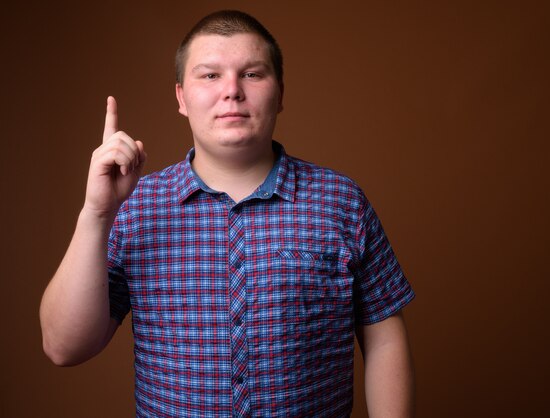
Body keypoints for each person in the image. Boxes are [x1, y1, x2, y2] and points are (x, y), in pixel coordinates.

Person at [40, 10, 415, 417]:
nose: (232, 91)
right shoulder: (134, 207)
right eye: (210, 75)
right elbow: (64, 347)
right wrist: (97, 212)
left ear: (281, 92)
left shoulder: (341, 202)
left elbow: (384, 339)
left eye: (252, 74)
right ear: (182, 97)